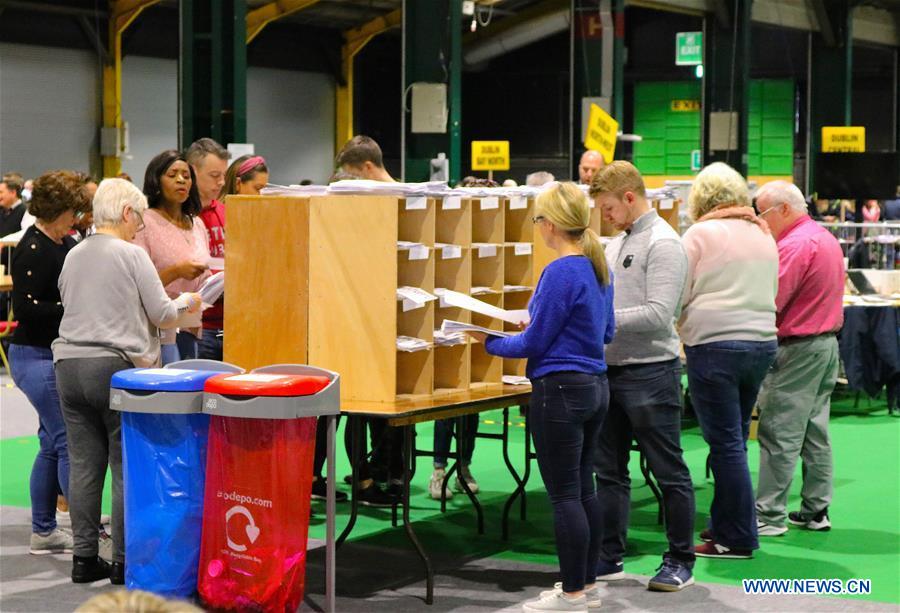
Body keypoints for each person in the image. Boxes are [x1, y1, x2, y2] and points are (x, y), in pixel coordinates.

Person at [471, 181, 614, 611]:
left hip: (561, 392)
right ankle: (587, 585)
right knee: (583, 488)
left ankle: (571, 593)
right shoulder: (598, 267)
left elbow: (532, 345)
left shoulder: (559, 271)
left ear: (549, 224)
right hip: (596, 386)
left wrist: (486, 340)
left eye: (537, 219)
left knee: (564, 495)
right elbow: (605, 332)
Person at [53, 178, 202, 584]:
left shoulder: (73, 254)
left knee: (83, 465)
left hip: (68, 365)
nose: (141, 228)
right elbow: (163, 314)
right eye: (138, 218)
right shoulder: (131, 255)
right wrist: (188, 302)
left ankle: (83, 559)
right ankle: (122, 561)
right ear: (125, 213)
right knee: (123, 465)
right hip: (114, 367)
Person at [589, 161, 696, 591]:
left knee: (668, 470)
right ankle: (608, 556)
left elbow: (658, 314)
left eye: (609, 207)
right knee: (609, 472)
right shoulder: (617, 244)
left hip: (651, 374)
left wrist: (599, 320)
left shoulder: (665, 243)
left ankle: (680, 560)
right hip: (609, 373)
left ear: (630, 198)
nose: (605, 216)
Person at [679, 162, 778, 560]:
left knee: (725, 446)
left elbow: (679, 293)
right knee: (734, 441)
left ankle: (736, 537)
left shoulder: (698, 234)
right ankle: (726, 524)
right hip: (760, 343)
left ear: (700, 197)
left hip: (714, 344)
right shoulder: (763, 233)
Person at [753, 181, 844, 535]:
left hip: (798, 348)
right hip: (825, 345)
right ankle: (816, 509)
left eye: (763, 213)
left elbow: (772, 299)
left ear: (783, 210)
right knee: (814, 431)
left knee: (778, 432)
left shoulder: (793, 245)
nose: (762, 222)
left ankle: (769, 515)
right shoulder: (825, 238)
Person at [8, 170, 91, 555]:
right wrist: (71, 307)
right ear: (57, 209)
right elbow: (25, 309)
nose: (76, 217)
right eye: (72, 210)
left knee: (49, 443)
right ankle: (83, 531)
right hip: (34, 356)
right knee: (68, 441)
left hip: (54, 353)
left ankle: (44, 531)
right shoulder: (32, 247)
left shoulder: (67, 240)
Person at [135, 150, 210, 364]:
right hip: (160, 329)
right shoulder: (144, 222)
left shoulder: (197, 223)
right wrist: (177, 271)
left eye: (186, 176)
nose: (181, 180)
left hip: (191, 324)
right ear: (156, 181)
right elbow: (138, 284)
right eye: (173, 175)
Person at [186, 139, 229, 361]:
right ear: (193, 172)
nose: (221, 182)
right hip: (198, 325)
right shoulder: (181, 218)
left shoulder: (225, 212)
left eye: (224, 175)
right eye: (214, 175)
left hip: (229, 323)